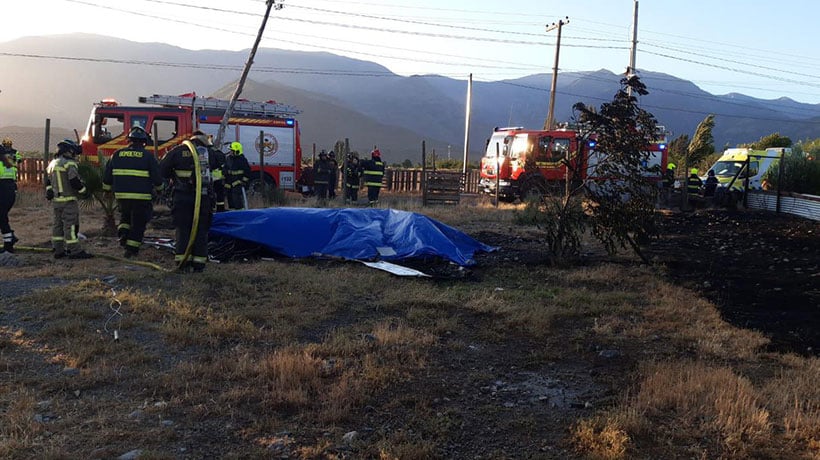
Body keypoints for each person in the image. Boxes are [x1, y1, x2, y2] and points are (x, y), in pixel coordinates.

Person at [160, 130, 218, 273]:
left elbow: (162, 170)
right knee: (201, 230)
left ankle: (183, 263)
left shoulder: (177, 151)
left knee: (183, 229)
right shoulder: (210, 153)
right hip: (203, 198)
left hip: (182, 197)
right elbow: (220, 165)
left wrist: (174, 177)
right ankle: (199, 264)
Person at [102, 126, 162, 258]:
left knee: (125, 217)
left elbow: (107, 176)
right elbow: (157, 177)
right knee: (139, 223)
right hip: (142, 197)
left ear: (129, 140)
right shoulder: (148, 156)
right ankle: (131, 249)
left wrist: (107, 190)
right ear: (144, 142)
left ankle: (123, 235)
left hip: (122, 196)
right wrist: (160, 190)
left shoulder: (117, 154)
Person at [46, 139, 92, 259]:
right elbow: (74, 182)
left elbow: (47, 181)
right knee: (71, 226)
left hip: (57, 201)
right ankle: (74, 250)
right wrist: (84, 192)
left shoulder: (53, 163)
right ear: (69, 151)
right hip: (68, 201)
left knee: (57, 225)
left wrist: (49, 191)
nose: (74, 154)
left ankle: (58, 249)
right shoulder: (69, 163)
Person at [0, 141, 20, 252]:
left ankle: (9, 241)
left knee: (1, 217)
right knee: (2, 217)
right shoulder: (9, 160)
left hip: (3, 190)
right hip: (10, 190)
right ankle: (9, 241)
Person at [224, 141, 251, 209]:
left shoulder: (242, 160)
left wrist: (243, 181)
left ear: (237, 151)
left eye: (232, 151)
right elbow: (225, 169)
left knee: (237, 200)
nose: (230, 152)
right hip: (229, 184)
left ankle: (240, 213)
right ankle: (232, 213)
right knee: (230, 200)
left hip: (238, 183)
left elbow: (247, 172)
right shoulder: (228, 158)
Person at [211, 138, 227, 212]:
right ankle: (220, 209)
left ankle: (211, 208)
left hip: (210, 177)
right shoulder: (220, 153)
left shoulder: (208, 152)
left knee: (210, 193)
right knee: (220, 194)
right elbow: (224, 166)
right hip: (219, 177)